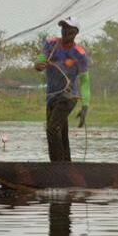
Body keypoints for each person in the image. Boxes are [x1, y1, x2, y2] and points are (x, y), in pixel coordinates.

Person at [34, 17, 91, 162]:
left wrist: (85, 107)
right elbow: (40, 59)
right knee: (60, 133)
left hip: (69, 96)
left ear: (75, 33)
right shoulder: (50, 44)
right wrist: (39, 64)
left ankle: (58, 168)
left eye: (69, 30)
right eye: (63, 28)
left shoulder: (80, 54)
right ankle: (66, 166)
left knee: (52, 129)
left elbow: (84, 82)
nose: (65, 32)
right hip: (51, 97)